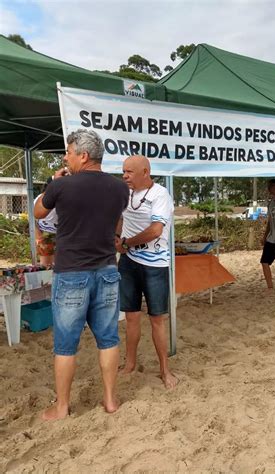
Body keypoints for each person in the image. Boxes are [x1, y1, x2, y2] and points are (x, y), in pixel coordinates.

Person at [34, 129, 129, 421]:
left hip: (72, 272)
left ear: (83, 155)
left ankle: (62, 407)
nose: (66, 157)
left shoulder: (62, 186)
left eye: (69, 152)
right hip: (107, 271)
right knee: (109, 338)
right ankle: (110, 400)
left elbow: (38, 213)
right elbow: (118, 220)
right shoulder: (119, 188)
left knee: (65, 344)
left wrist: (53, 183)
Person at [116, 155, 178, 389]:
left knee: (157, 319)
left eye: (129, 172)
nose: (124, 176)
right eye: (123, 171)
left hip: (155, 265)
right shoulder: (126, 193)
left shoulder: (160, 194)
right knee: (131, 317)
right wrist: (116, 237)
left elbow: (155, 231)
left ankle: (165, 370)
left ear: (145, 172)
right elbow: (121, 219)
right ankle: (130, 364)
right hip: (129, 263)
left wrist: (127, 242)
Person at [34, 178, 58, 266]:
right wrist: (38, 236)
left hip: (60, 233)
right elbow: (32, 218)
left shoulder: (62, 196)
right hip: (45, 233)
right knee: (46, 265)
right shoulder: (40, 198)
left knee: (59, 264)